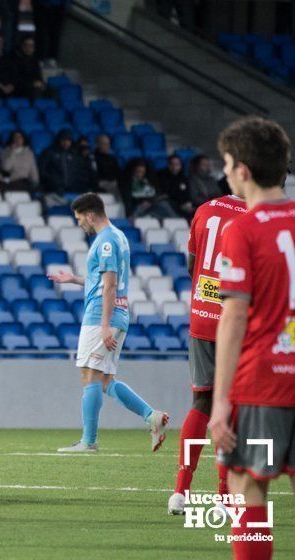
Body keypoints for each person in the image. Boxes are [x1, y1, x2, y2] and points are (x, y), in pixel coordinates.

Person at [209, 116, 293, 560]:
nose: (224, 172)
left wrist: (221, 402)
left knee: (247, 483)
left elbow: (234, 316)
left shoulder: (241, 228)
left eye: (226, 163)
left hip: (263, 382)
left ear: (242, 169)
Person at [48, 193, 169, 453]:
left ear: (90, 215)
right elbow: (102, 280)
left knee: (89, 375)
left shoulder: (105, 242)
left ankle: (88, 441)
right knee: (104, 380)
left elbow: (111, 284)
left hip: (102, 316)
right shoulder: (118, 237)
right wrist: (74, 279)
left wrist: (104, 325)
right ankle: (152, 417)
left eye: (80, 219)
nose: (80, 224)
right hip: (117, 313)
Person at [166, 191, 246, 516]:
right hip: (235, 319)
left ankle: (180, 493)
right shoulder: (254, 214)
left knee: (201, 401)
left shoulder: (205, 209)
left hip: (202, 315)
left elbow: (191, 263)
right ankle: (225, 497)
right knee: (232, 404)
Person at [38, 129, 85, 206]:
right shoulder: (49, 152)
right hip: (53, 190)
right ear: (59, 140)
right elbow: (42, 170)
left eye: (68, 140)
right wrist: (54, 182)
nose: (66, 143)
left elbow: (80, 172)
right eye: (63, 140)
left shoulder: (75, 154)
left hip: (73, 190)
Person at [33, 0, 69, 66]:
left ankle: (45, 57)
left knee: (49, 32)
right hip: (53, 4)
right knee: (45, 32)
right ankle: (48, 57)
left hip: (56, 5)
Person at [92, 134, 120, 199]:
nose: (108, 146)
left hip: (113, 182)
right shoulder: (92, 158)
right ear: (97, 145)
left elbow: (118, 173)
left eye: (108, 144)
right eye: (104, 144)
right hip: (100, 183)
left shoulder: (112, 158)